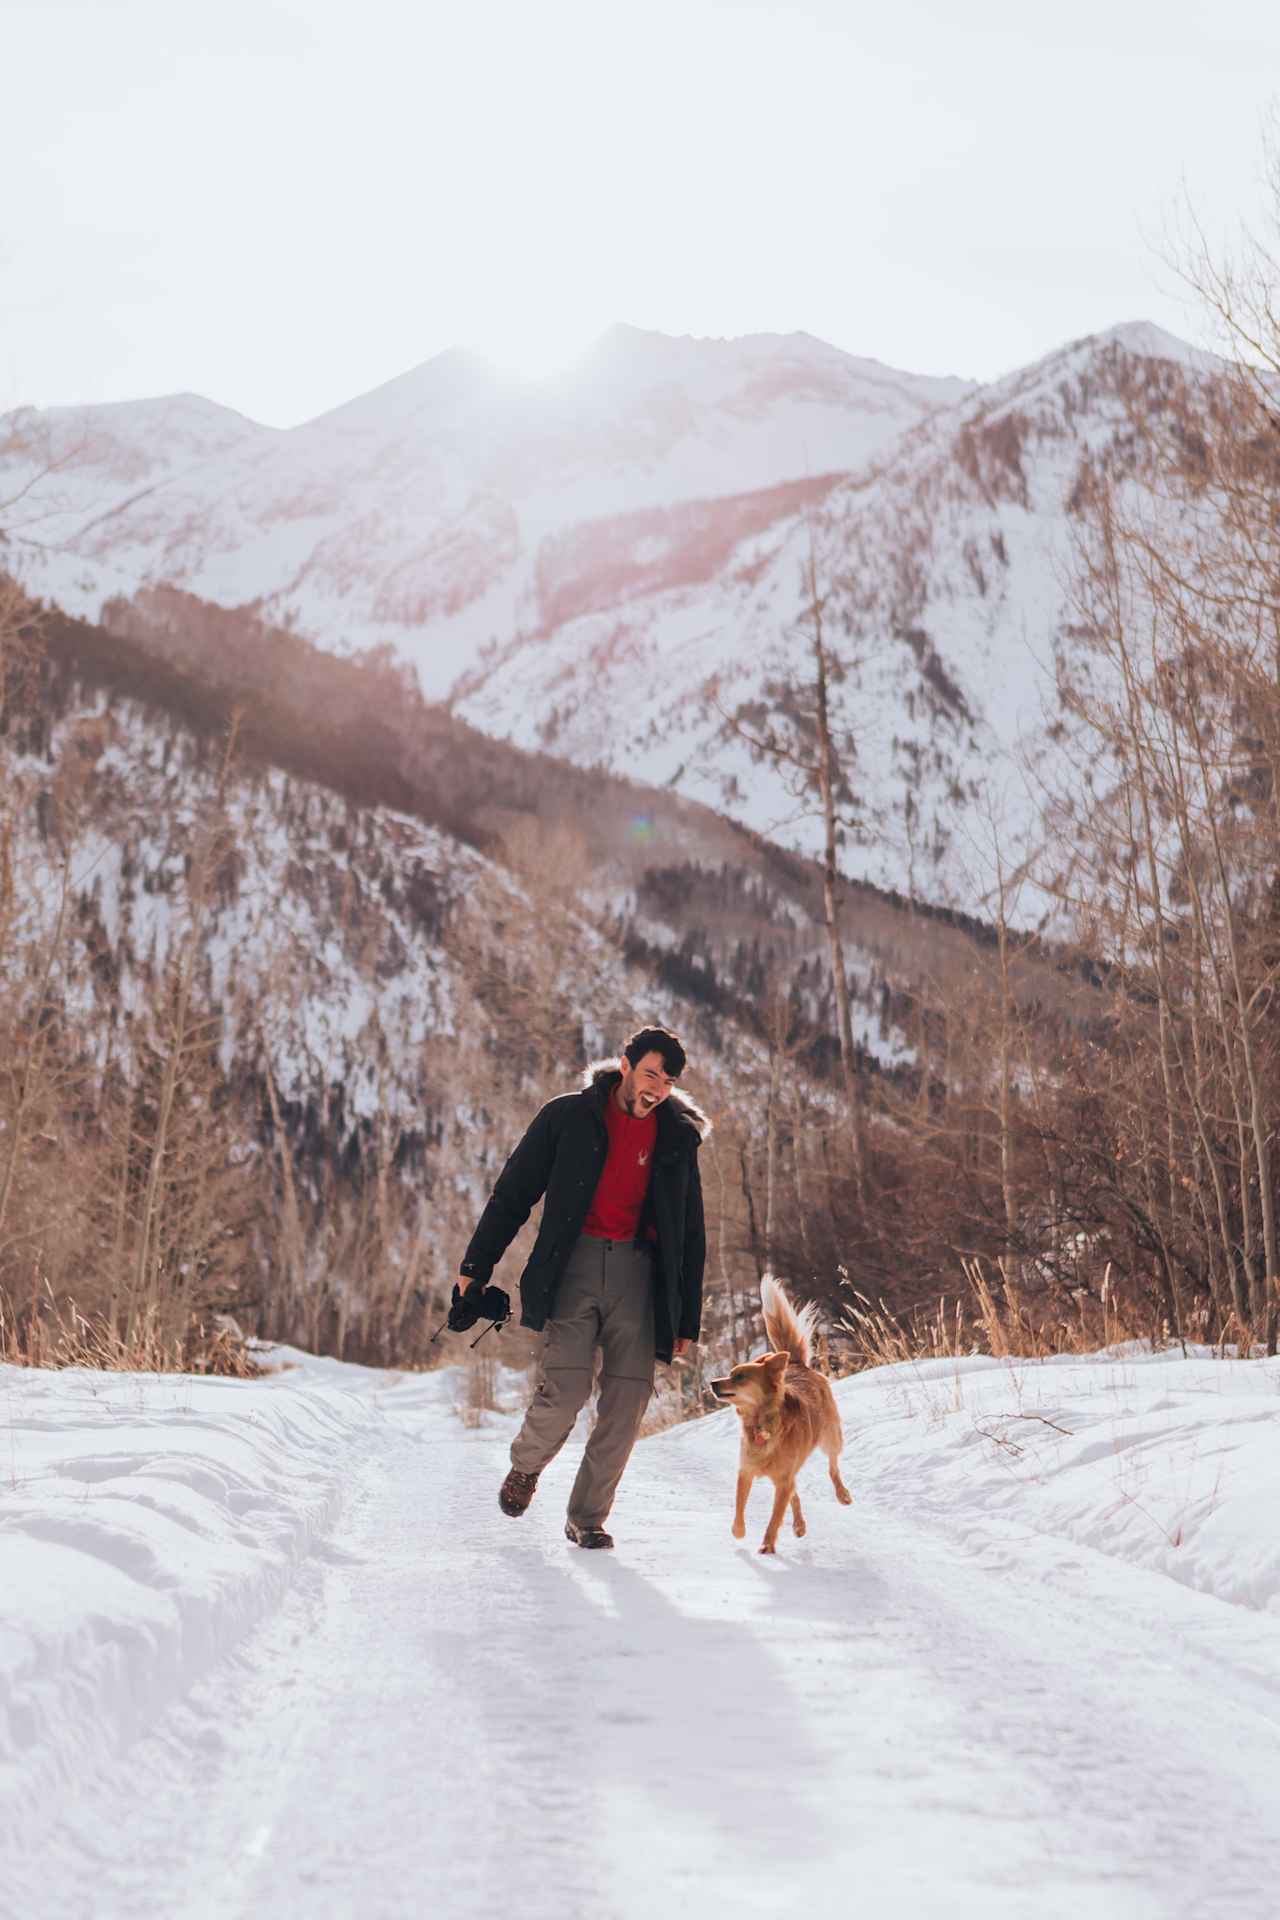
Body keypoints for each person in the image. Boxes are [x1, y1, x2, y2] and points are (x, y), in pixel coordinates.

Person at [458, 1025, 708, 1549]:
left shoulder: (677, 1139)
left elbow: (691, 1231)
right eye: (649, 1073)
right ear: (625, 1065)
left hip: (640, 1278)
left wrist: (686, 1319)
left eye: (667, 1080)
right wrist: (475, 1266)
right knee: (566, 1389)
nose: (657, 1088)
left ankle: (587, 1517)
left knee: (627, 1402)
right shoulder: (568, 1117)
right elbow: (513, 1194)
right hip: (573, 1267)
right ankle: (526, 1467)